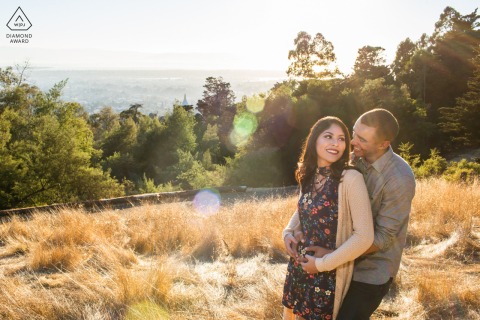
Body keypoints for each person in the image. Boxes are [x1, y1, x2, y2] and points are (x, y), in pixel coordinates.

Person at [285, 109, 416, 319]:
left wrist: (330, 253)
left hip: (370, 271)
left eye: (361, 139)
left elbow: (382, 237)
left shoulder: (399, 178)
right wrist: (290, 229)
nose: (352, 141)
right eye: (353, 133)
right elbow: (315, 200)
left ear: (383, 144)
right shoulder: (352, 159)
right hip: (335, 263)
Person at [282, 116, 374, 320]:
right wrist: (288, 232)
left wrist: (322, 264)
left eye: (342, 139)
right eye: (329, 136)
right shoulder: (309, 174)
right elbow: (302, 210)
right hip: (301, 268)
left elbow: (364, 237)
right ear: (314, 140)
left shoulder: (350, 178)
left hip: (328, 273)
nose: (336, 143)